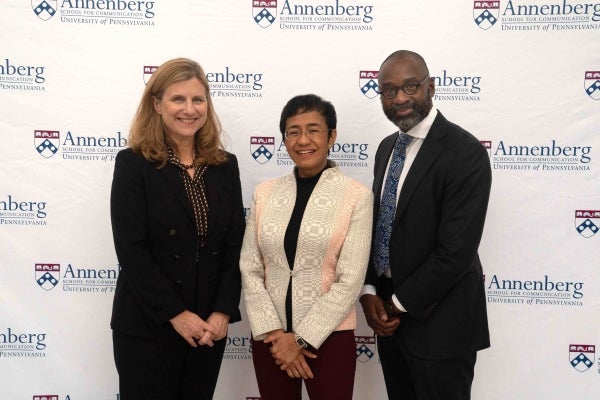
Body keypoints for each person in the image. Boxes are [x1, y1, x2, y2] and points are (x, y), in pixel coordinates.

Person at [109, 58, 245, 400]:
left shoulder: (225, 166)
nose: (189, 109)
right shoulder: (133, 164)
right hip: (148, 325)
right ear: (157, 104)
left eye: (198, 100)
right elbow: (131, 249)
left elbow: (234, 244)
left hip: (207, 329)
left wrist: (222, 312)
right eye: (178, 99)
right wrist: (176, 314)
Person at [360, 50, 492, 400]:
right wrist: (371, 291)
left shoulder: (465, 152)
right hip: (390, 324)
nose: (400, 98)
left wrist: (397, 304)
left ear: (430, 87)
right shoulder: (386, 148)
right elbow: (380, 229)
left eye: (411, 86)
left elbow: (456, 252)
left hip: (442, 327)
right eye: (388, 91)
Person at [240, 94, 373, 400]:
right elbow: (250, 266)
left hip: (329, 338)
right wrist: (276, 337)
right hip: (269, 340)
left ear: (332, 137)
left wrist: (299, 339)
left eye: (314, 129)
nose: (303, 140)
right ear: (284, 140)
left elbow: (350, 280)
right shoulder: (265, 193)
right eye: (293, 131)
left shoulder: (356, 196)